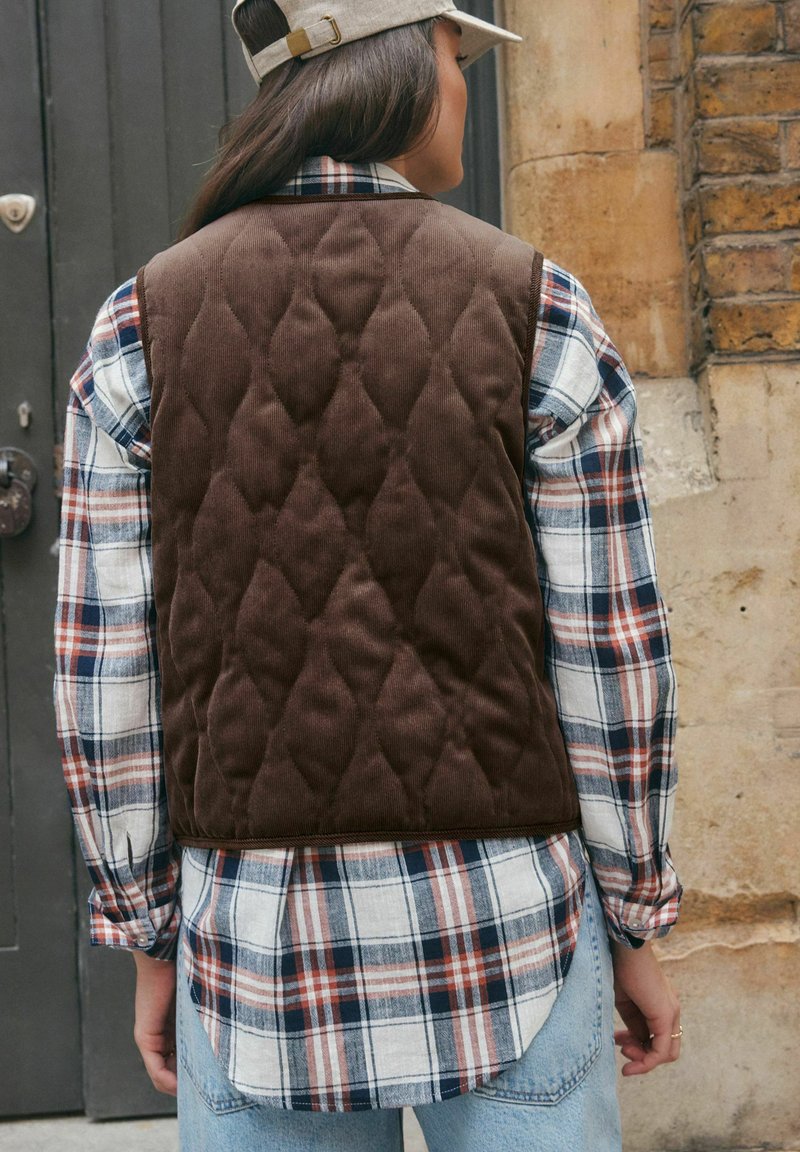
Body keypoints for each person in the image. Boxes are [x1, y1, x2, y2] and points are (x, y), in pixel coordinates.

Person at [52, 3, 683, 1150]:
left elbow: (107, 687)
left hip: (252, 958)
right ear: (395, 71)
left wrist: (148, 935)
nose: (463, 86)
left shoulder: (137, 326)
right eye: (452, 54)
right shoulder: (535, 304)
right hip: (511, 937)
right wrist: (633, 916)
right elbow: (612, 657)